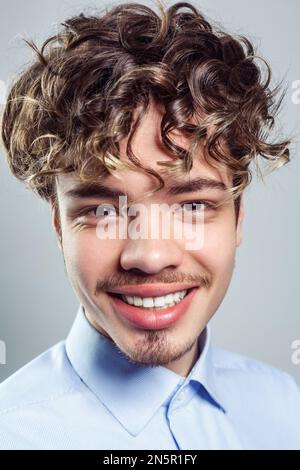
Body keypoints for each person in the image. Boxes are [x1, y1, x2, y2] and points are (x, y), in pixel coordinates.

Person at [0, 0, 299, 450]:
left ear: (238, 217)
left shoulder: (287, 409)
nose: (150, 256)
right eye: (102, 211)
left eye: (192, 206)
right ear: (60, 227)